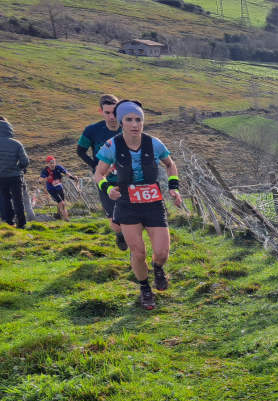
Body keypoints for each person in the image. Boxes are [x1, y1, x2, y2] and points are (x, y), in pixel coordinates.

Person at [92, 100, 184, 310]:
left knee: (161, 252)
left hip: (153, 202)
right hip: (128, 204)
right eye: (129, 119)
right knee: (138, 252)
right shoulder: (112, 146)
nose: (135, 124)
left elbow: (170, 165)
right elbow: (98, 174)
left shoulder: (155, 144)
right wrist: (108, 189)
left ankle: (158, 268)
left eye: (139, 119)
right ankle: (144, 288)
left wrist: (174, 188)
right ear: (121, 122)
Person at [77, 94, 125, 249]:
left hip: (128, 179)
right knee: (113, 219)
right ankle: (120, 234)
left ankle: (135, 247)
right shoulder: (92, 130)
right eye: (107, 113)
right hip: (105, 181)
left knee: (132, 217)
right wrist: (95, 167)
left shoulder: (128, 126)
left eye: (115, 112)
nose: (112, 117)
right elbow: (80, 151)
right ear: (101, 111)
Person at [0, 116, 30, 228]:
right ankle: (21, 223)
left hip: (1, 177)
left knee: (5, 199)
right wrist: (18, 168)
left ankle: (9, 222)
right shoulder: (17, 143)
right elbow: (25, 161)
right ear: (9, 128)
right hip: (15, 176)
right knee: (18, 200)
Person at [40, 155, 79, 221]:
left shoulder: (58, 167)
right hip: (51, 189)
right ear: (47, 164)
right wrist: (45, 179)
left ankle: (58, 215)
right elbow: (40, 180)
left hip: (59, 187)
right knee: (62, 203)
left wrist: (73, 178)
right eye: (50, 163)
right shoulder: (45, 170)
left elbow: (66, 173)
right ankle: (66, 219)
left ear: (55, 162)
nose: (52, 164)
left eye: (53, 162)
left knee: (62, 202)